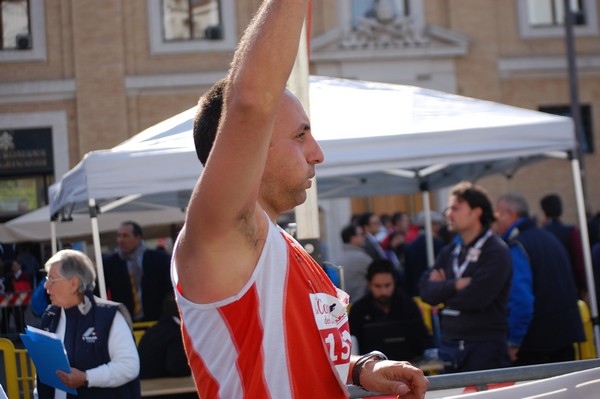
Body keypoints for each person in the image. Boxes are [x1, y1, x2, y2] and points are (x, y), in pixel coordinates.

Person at [172, 1, 428, 398]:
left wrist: (361, 369)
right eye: (300, 135)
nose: (317, 152)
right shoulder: (223, 234)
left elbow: (301, 352)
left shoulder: (281, 245)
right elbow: (251, 100)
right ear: (252, 147)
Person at [419, 181, 512, 373]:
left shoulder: (495, 251)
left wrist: (443, 290)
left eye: (455, 208)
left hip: (484, 349)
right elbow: (426, 291)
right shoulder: (451, 250)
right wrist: (456, 284)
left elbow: (477, 298)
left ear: (476, 212)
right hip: (450, 347)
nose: (448, 214)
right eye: (449, 208)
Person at [496, 192, 585, 366]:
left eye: (498, 215)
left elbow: (521, 302)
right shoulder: (547, 237)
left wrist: (514, 343)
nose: (495, 221)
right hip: (563, 337)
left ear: (511, 214)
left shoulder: (518, 246)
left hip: (538, 345)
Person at [36, 249, 140, 398]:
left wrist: (86, 377)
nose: (46, 286)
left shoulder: (108, 316)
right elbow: (44, 371)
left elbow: (129, 366)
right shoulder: (50, 316)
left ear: (74, 283)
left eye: (52, 279)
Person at [349, 259, 430, 362]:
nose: (383, 291)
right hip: (370, 368)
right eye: (378, 286)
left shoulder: (408, 305)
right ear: (369, 284)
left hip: (408, 363)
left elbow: (423, 339)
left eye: (387, 285)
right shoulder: (358, 310)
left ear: (394, 283)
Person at [102, 221, 171, 321]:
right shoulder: (110, 263)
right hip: (125, 321)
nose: (121, 240)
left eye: (125, 236)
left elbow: (169, 288)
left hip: (157, 319)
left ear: (138, 237)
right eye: (119, 236)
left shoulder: (159, 259)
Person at [539, 193, 587, 298]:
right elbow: (579, 261)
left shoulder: (541, 233)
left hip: (549, 288)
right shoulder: (571, 231)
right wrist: (584, 285)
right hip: (572, 284)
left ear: (544, 211)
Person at [138, 293, 191, 380]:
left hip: (146, 386)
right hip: (163, 388)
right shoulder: (175, 334)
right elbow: (178, 368)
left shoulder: (153, 330)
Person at [403, 211, 446, 297]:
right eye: (436, 224)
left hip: (415, 290)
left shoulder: (410, 246)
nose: (438, 227)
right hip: (434, 290)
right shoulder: (438, 244)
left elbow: (408, 275)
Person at [338, 224, 373, 304]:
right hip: (359, 303)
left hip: (344, 304)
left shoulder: (339, 257)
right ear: (352, 238)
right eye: (361, 234)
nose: (364, 237)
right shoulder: (362, 258)